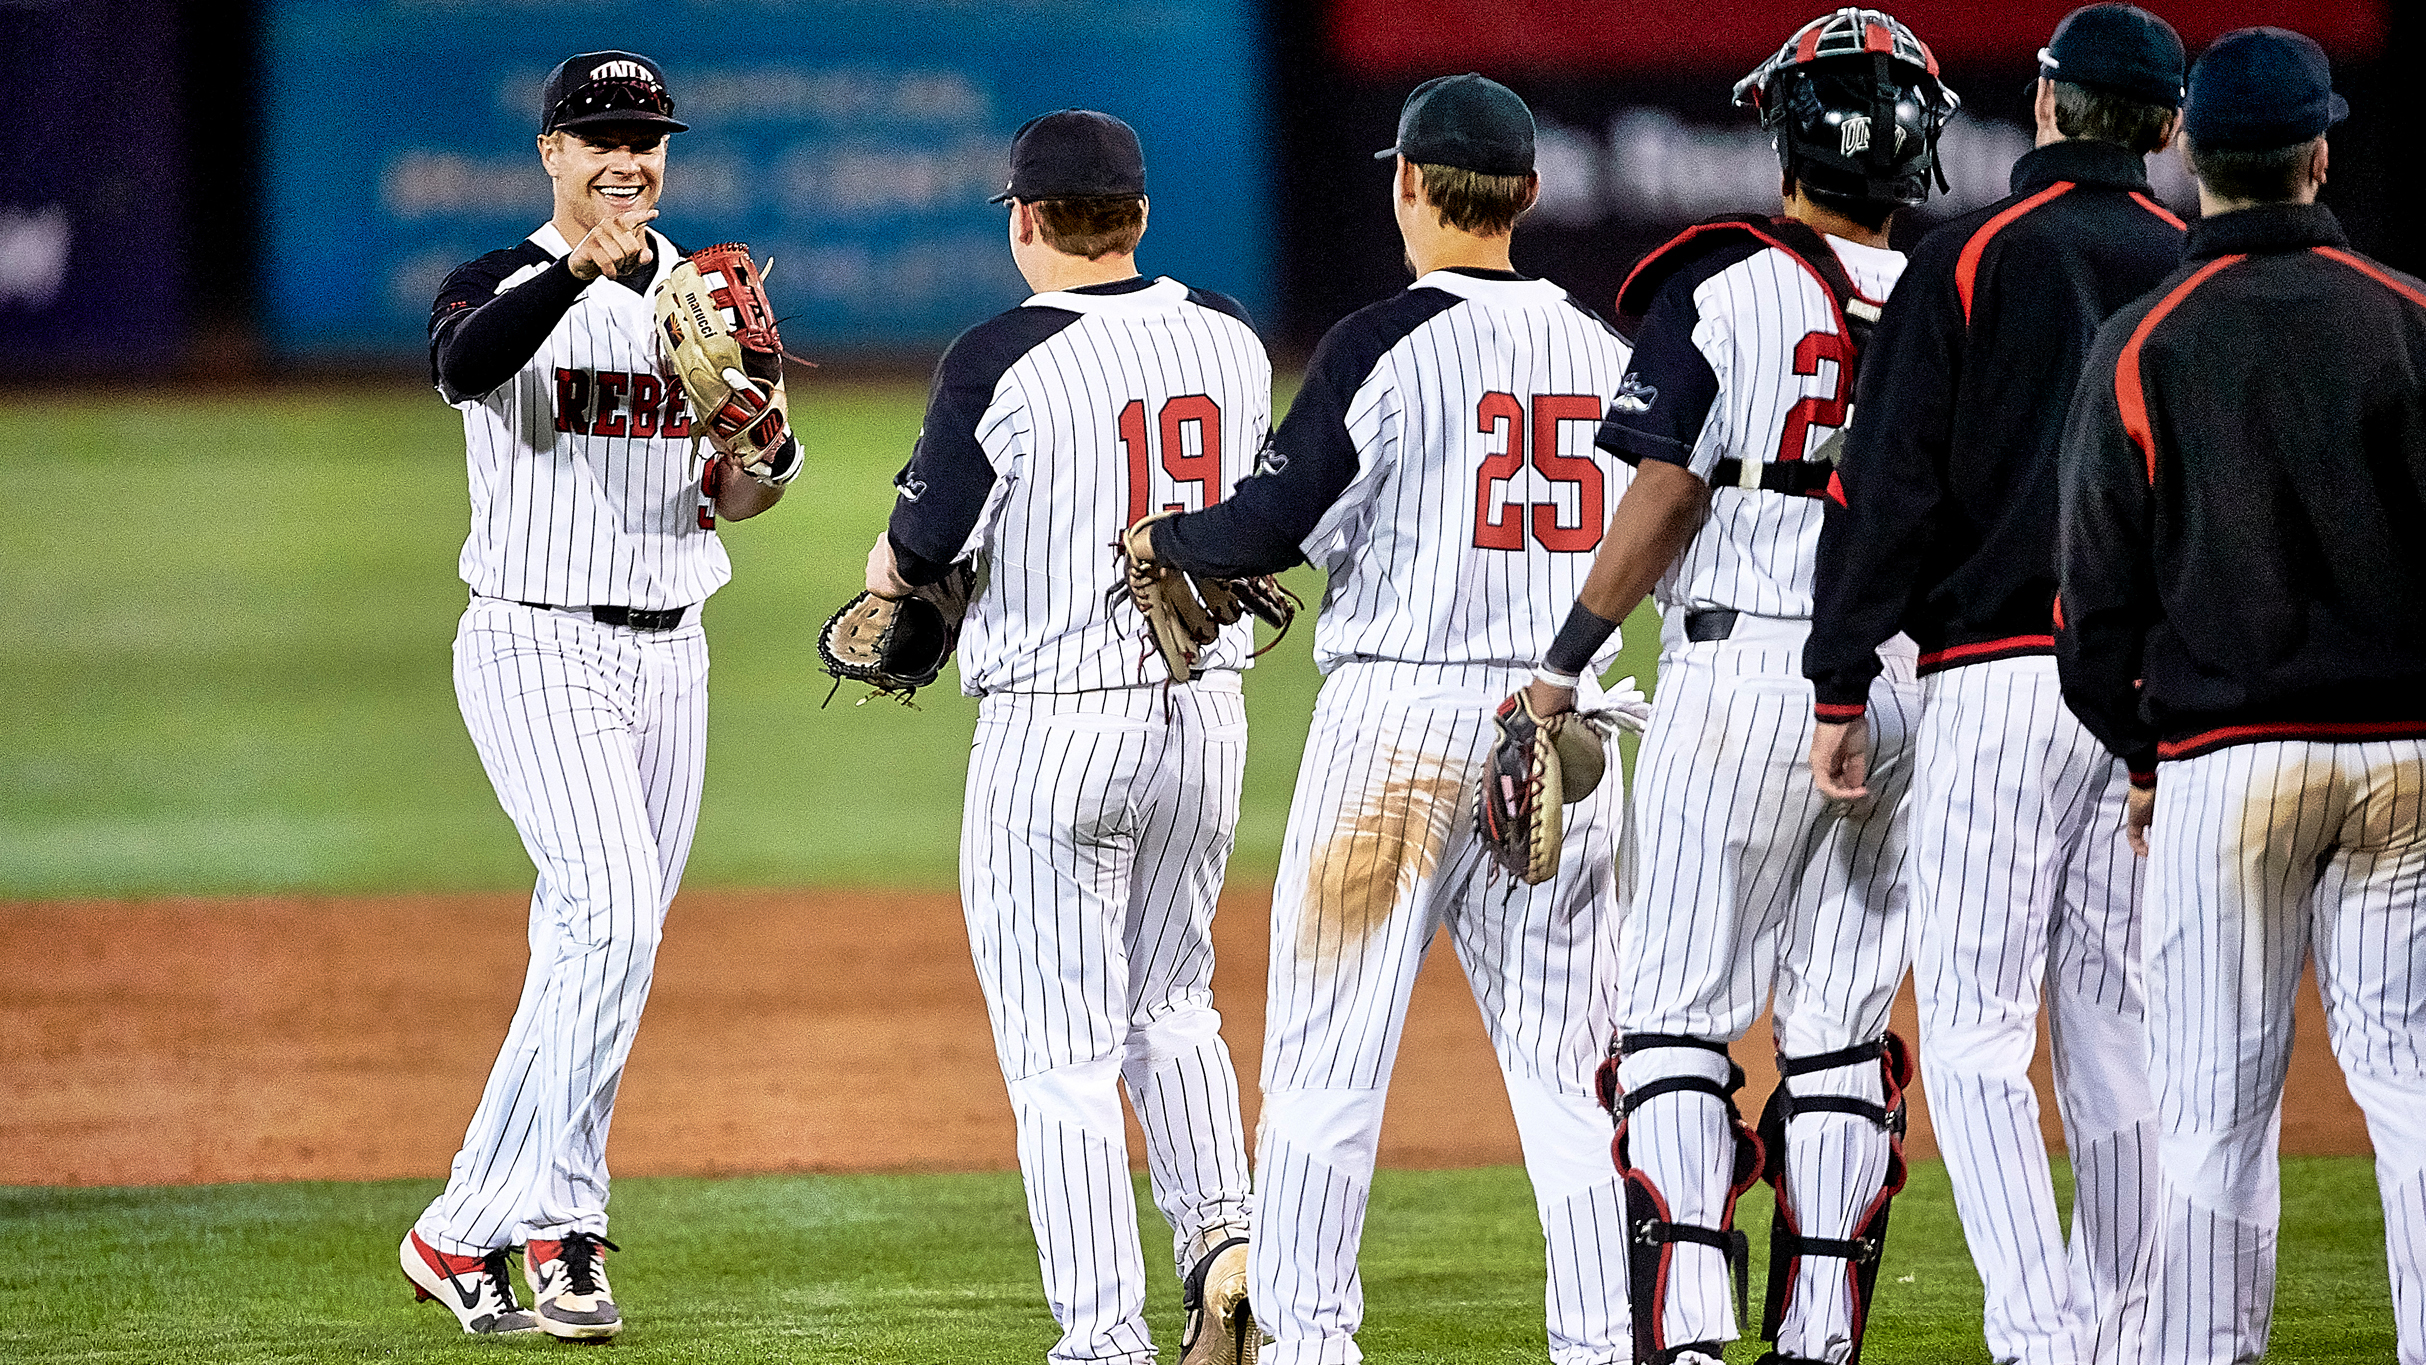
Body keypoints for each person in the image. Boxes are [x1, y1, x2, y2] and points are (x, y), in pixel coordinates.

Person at [1138, 73, 1638, 1365]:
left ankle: (1306, 1344)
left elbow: (1271, 524)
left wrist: (1166, 535)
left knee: (1323, 1071)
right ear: (1527, 195)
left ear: (1407, 183)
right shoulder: (1602, 351)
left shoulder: (1376, 342)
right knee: (1577, 1075)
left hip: (1395, 735)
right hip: (1558, 731)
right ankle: (1603, 1343)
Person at [1522, 10, 1957, 1362]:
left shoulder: (1722, 286)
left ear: (1783, 129)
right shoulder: (1961, 295)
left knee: (1671, 1023)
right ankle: (1818, 1340)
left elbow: (1663, 487)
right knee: (1836, 1030)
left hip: (1746, 669)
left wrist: (1563, 659)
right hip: (1909, 688)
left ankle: (1694, 1337)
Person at [1800, 6, 2187, 1360]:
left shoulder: (1965, 257)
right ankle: (2133, 1331)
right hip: (2148, 705)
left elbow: (1885, 485)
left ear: (2041, 101)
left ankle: (2042, 1334)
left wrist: (1837, 677)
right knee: (2117, 1029)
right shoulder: (2188, 266)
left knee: (1970, 1032)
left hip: (1999, 682)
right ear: (2165, 127)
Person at [398, 50, 795, 1340]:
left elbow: (740, 487)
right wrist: (580, 270)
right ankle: (466, 1229)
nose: (628, 157)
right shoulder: (495, 280)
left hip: (673, 652)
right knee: (611, 918)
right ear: (552, 153)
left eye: (647, 136)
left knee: (600, 949)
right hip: (534, 641)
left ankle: (560, 1233)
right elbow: (464, 368)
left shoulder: (705, 295)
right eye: (601, 135)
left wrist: (764, 445)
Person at [864, 109, 1268, 1365]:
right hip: (1204, 714)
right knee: (1175, 1008)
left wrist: (889, 585)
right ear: (1138, 217)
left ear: (1023, 220)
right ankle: (1230, 1255)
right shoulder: (1231, 335)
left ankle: (1101, 1342)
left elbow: (919, 555)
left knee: (1060, 1058)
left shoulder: (998, 357)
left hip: (1056, 729)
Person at [2058, 26, 2426, 1364]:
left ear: (2189, 159)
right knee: (2414, 1094)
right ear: (2317, 154)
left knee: (2210, 1114)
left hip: (2222, 765)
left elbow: (2088, 606)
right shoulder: (2405, 317)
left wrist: (2144, 745)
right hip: (2404, 763)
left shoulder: (2140, 338)